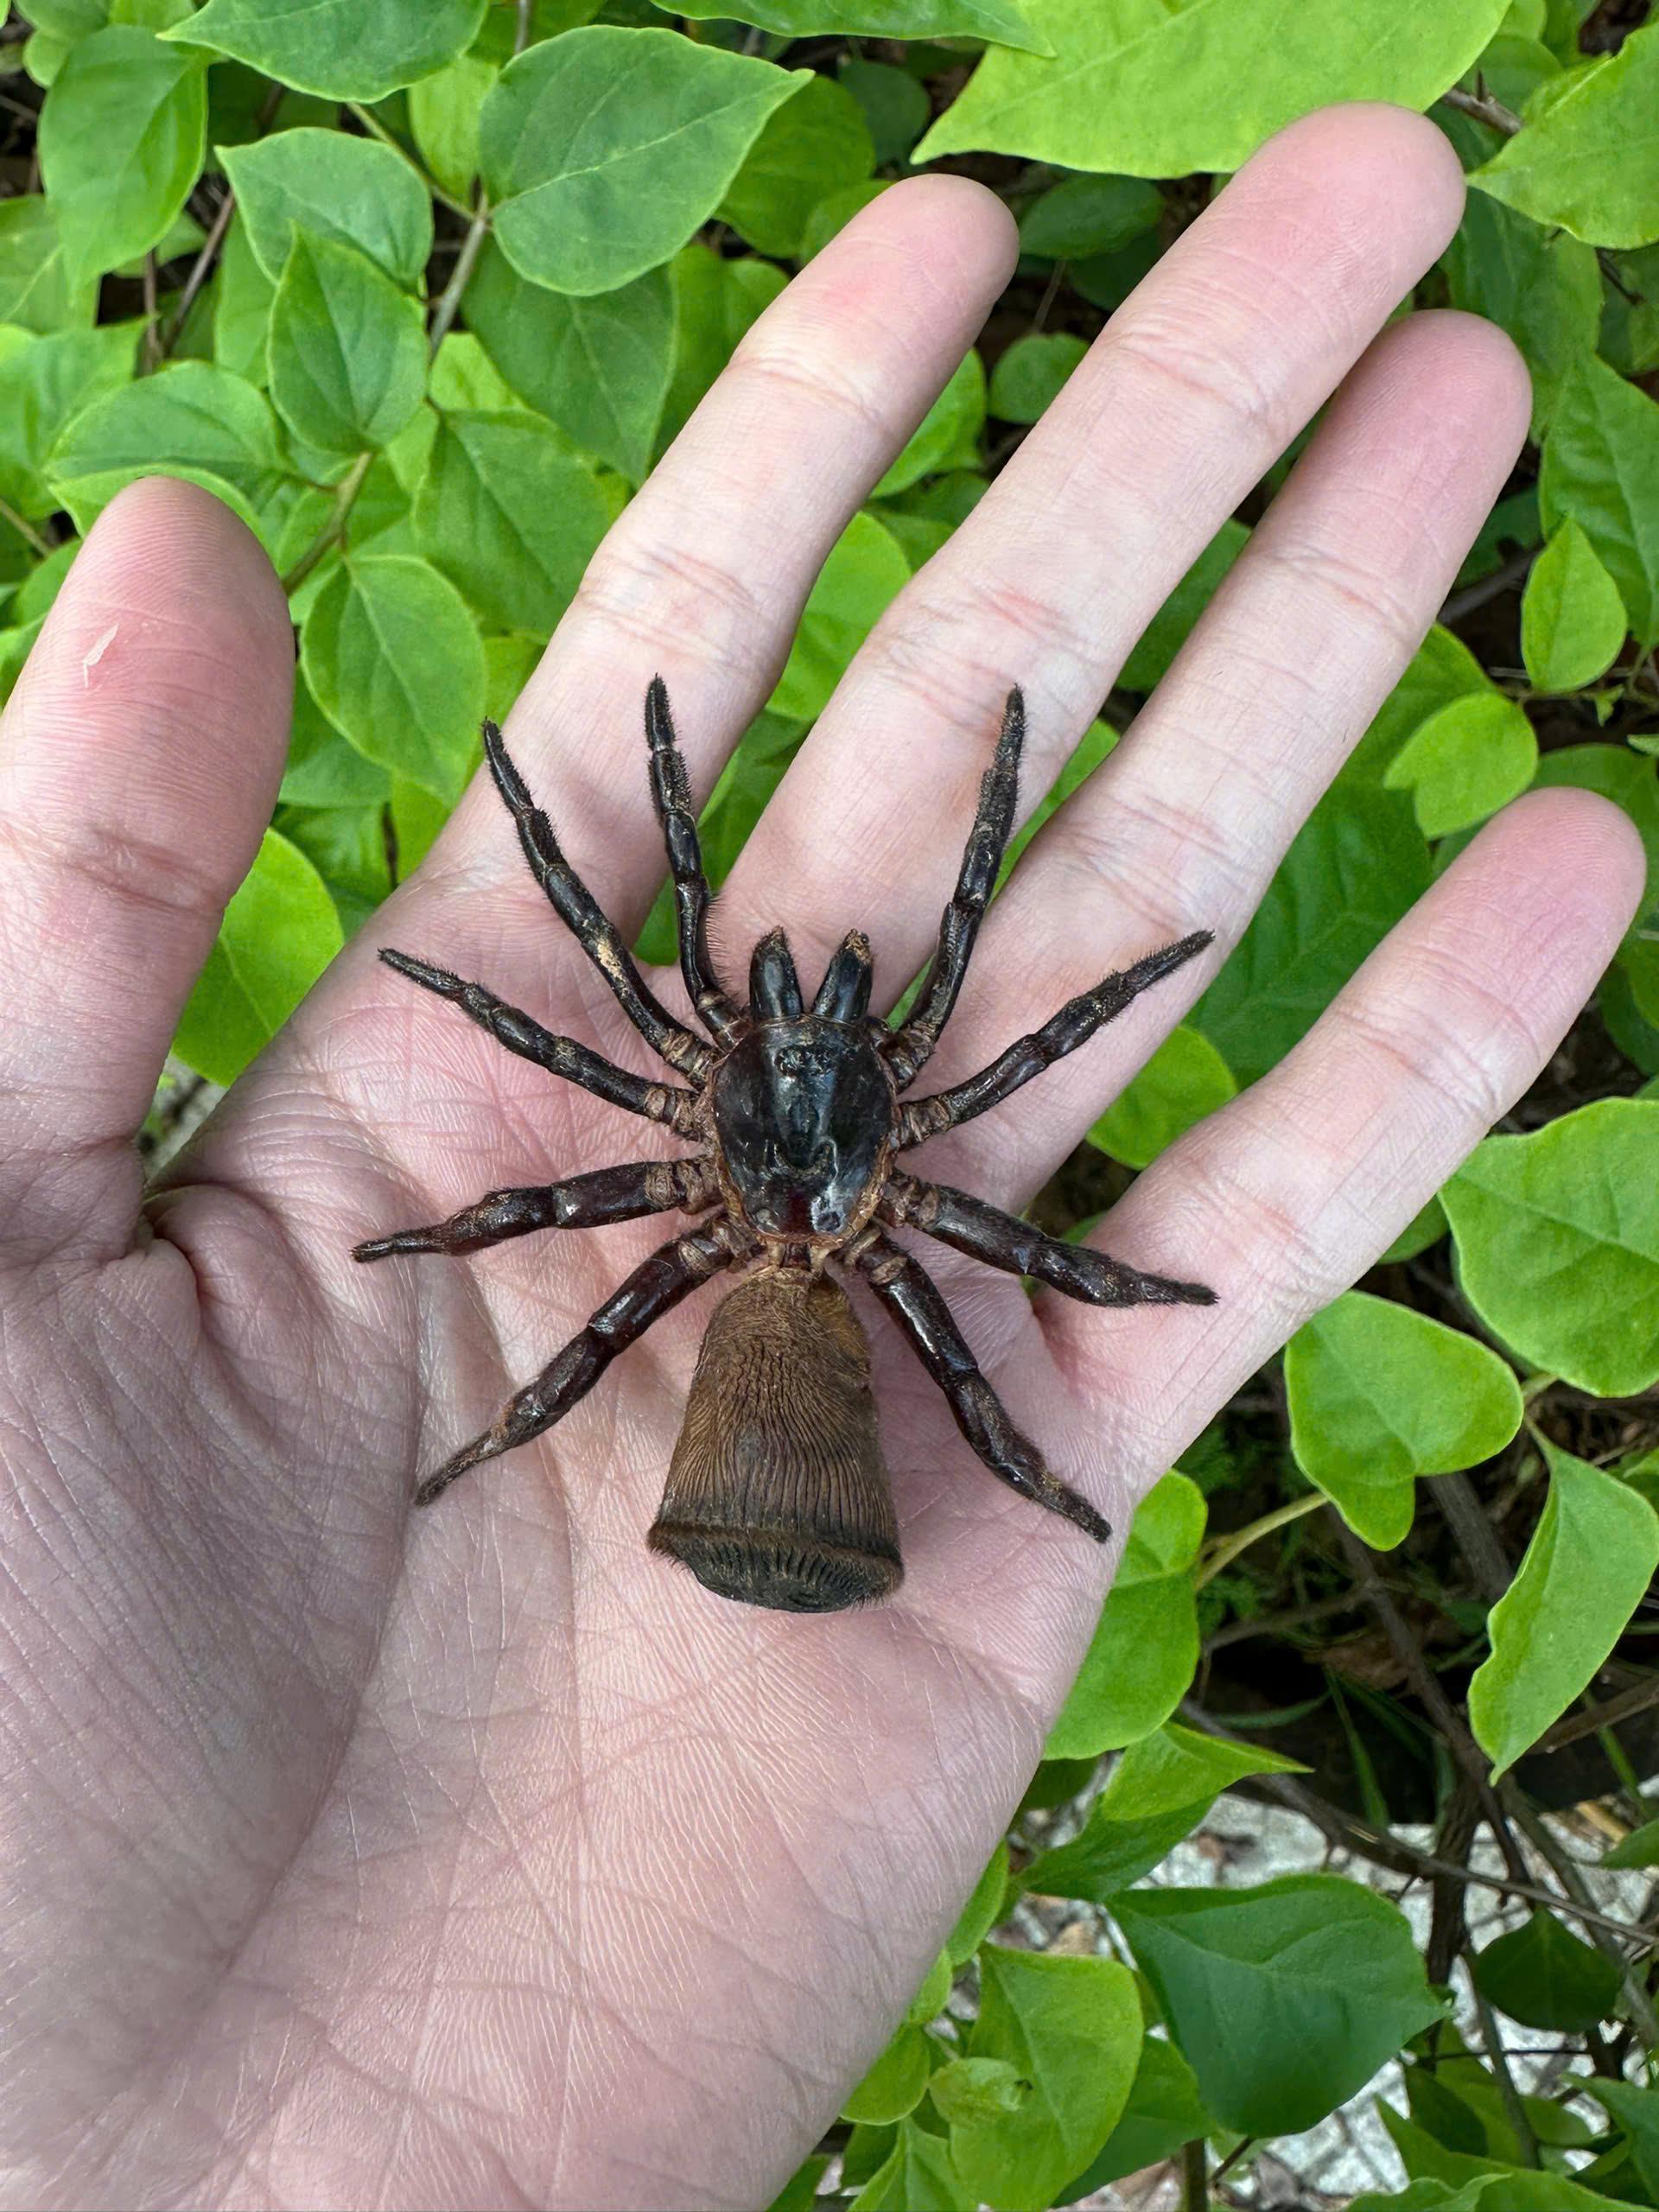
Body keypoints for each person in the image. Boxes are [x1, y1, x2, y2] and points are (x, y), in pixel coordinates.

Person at [0, 103, 1641, 2212]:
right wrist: (1078, 1297)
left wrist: (618, 823)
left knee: (641, 1226)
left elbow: (586, 1014)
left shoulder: (693, 1116)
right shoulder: (915, 1148)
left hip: (759, 1312)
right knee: (954, 1322)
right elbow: (994, 1016)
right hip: (825, 1309)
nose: (800, 1001)